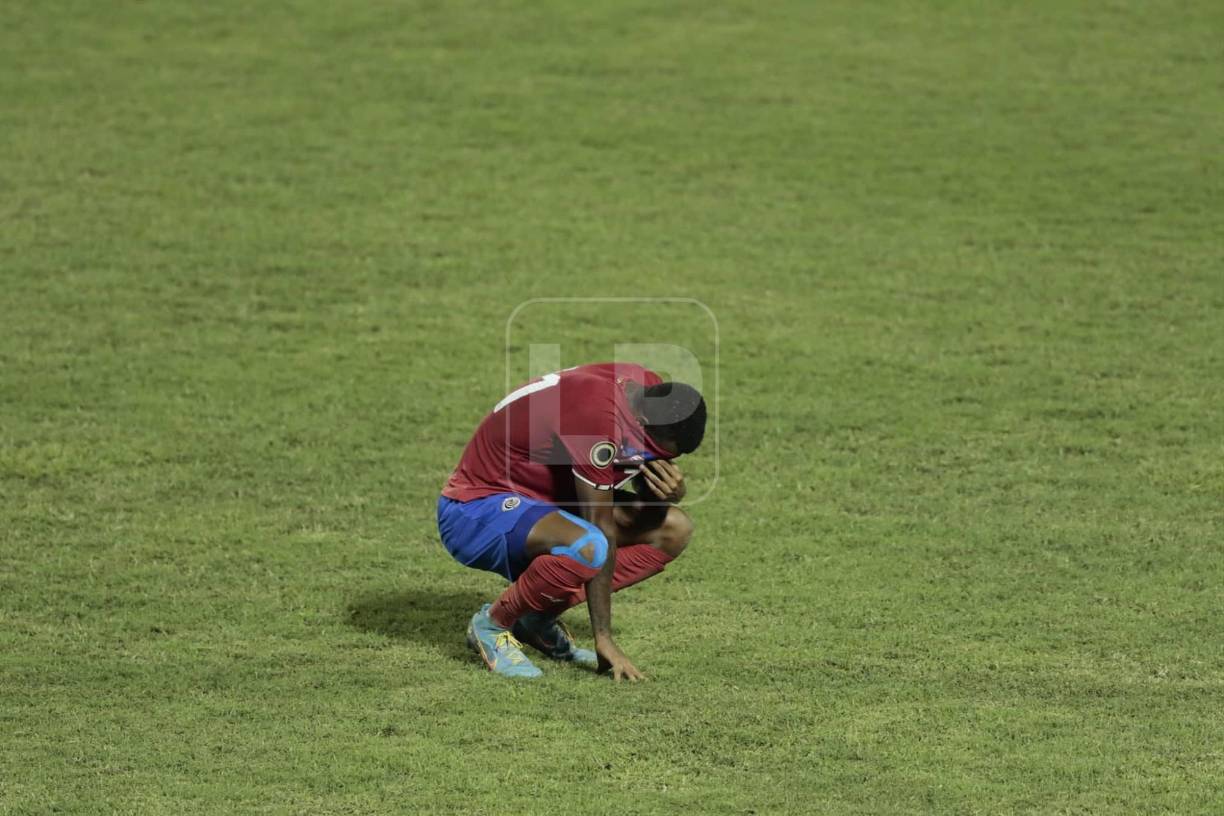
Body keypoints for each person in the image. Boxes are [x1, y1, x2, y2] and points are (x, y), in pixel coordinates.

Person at [436, 362, 706, 681]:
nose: (656, 459)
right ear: (643, 421)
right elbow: (601, 528)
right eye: (656, 451)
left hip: (544, 501)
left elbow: (633, 468)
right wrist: (603, 638)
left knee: (673, 529)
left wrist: (667, 492)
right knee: (589, 544)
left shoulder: (642, 386)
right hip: (476, 508)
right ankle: (492, 625)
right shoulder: (599, 422)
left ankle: (535, 616)